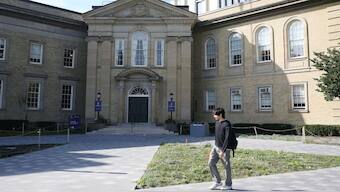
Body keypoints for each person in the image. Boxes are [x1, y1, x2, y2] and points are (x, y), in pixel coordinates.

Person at [208, 107, 233, 190]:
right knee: (211, 163)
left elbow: (227, 138)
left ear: (220, 115)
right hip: (216, 147)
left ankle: (228, 185)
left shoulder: (227, 124)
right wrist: (213, 149)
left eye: (215, 114)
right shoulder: (217, 123)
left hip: (224, 149)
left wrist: (223, 150)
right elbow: (217, 137)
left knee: (226, 166)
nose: (214, 116)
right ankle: (217, 181)